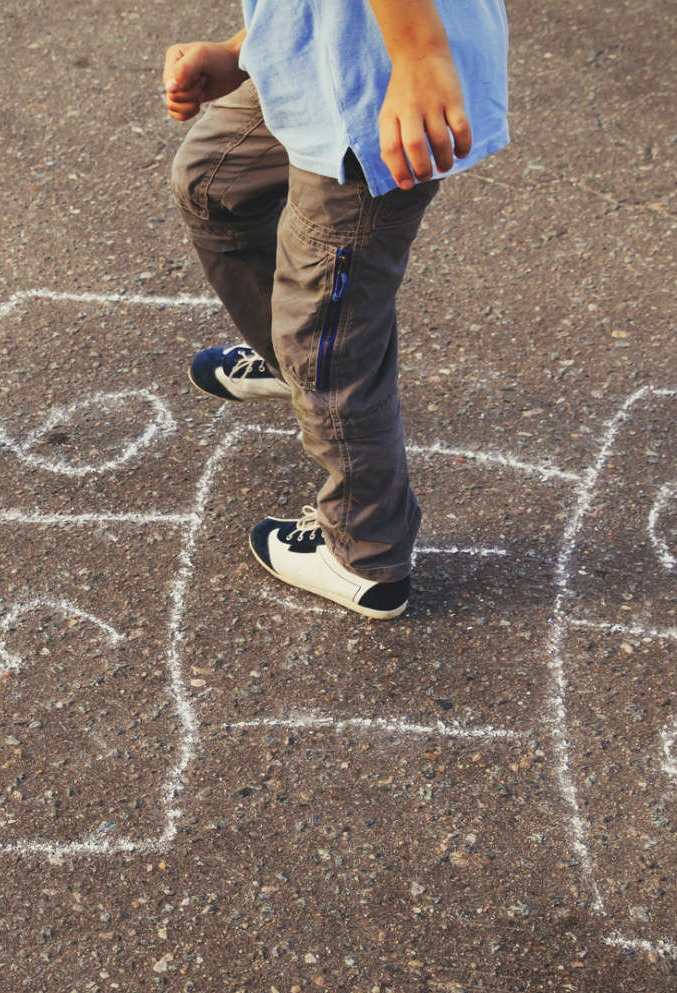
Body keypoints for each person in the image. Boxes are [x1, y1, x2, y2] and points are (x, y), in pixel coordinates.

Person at [164, 0, 509, 618]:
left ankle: (366, 554)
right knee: (214, 183)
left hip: (380, 99)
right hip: (311, 65)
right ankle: (294, 360)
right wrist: (248, 47)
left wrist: (417, 54)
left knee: (329, 334)